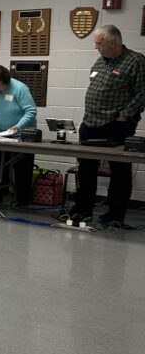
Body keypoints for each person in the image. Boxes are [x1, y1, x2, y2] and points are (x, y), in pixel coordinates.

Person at [69, 25, 145, 225]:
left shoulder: (135, 61)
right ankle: (82, 209)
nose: (96, 47)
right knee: (86, 168)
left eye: (99, 43)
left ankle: (115, 214)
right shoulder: (101, 61)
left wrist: (126, 114)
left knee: (119, 170)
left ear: (112, 43)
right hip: (91, 122)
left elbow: (142, 92)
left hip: (116, 125)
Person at [0, 64, 38, 206]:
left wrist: (18, 126)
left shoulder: (20, 88)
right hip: (3, 135)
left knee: (22, 169)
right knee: (0, 167)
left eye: (1, 85)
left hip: (22, 135)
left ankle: (22, 200)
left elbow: (31, 111)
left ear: (6, 81)